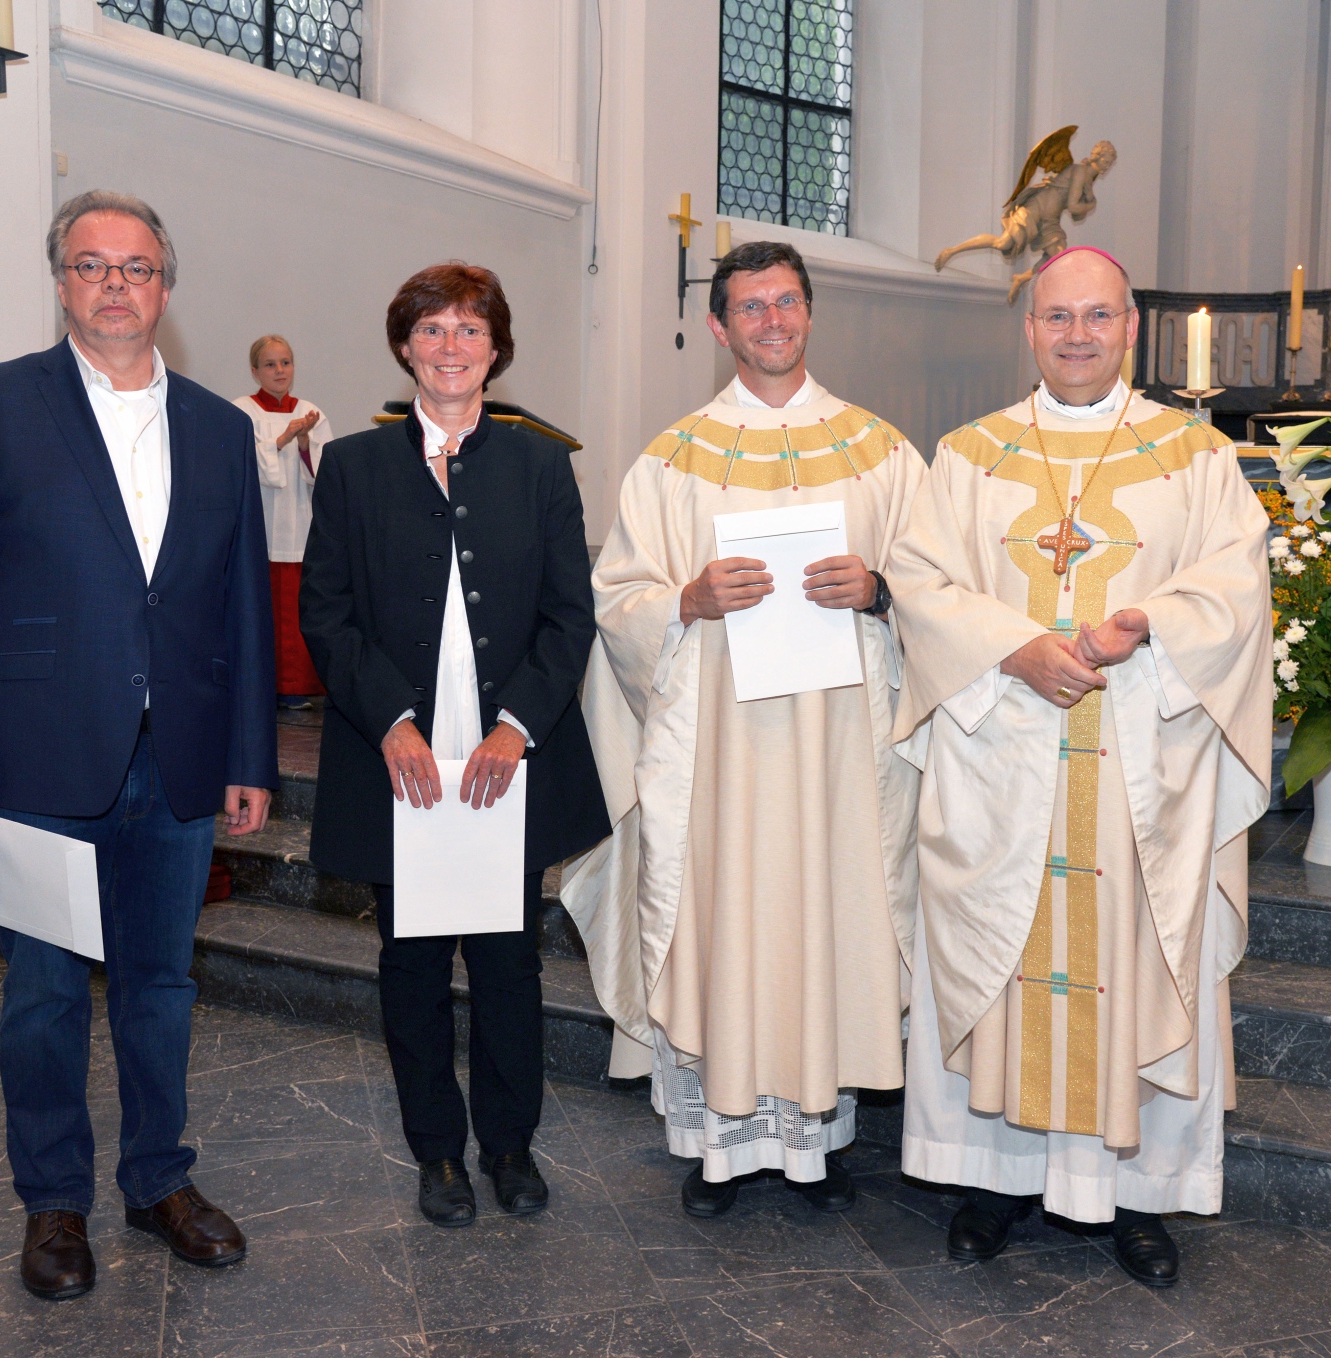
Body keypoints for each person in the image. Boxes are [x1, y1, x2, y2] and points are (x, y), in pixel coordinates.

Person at [0, 190, 277, 1300]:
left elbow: (240, 605)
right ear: (61, 281)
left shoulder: (220, 424)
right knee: (43, 992)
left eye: (137, 268)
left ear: (166, 288)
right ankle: (54, 1201)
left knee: (161, 983)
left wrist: (249, 755)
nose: (116, 284)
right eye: (92, 265)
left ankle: (159, 1178)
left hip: (178, 762)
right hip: (38, 760)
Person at [885, 246, 1271, 1279]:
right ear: (1028, 328)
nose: (1075, 336)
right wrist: (1011, 647)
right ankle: (992, 1177)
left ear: (1129, 327)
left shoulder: (1192, 457)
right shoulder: (967, 456)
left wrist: (1145, 624)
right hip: (1000, 765)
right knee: (999, 962)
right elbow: (916, 580)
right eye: (1056, 317)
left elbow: (1235, 583)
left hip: (1137, 764)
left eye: (1096, 317)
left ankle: (1130, 1197)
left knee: (1132, 964)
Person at [564, 240, 923, 1218]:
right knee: (726, 920)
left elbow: (941, 591)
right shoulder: (672, 459)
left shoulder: (883, 454)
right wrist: (684, 597)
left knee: (829, 912)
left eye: (786, 302)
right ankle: (717, 1141)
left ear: (809, 312)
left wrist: (880, 589)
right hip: (717, 753)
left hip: (840, 757)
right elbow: (620, 599)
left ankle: (822, 1137)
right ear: (719, 326)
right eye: (750, 307)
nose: (771, 320)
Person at [299, 263, 609, 1226]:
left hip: (507, 758)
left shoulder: (540, 464)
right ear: (404, 346)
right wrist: (390, 717)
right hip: (397, 760)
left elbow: (570, 616)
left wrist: (517, 727)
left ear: (495, 350)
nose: (450, 348)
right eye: (431, 330)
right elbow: (327, 613)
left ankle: (511, 1146)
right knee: (414, 962)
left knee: (512, 962)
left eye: (470, 331)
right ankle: (437, 1152)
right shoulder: (352, 466)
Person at [234, 335, 333, 709]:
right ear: (255, 370)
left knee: (295, 609)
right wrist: (282, 438)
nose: (280, 371)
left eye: (286, 362)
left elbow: (325, 473)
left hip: (299, 523)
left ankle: (295, 687)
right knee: (260, 608)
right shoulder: (240, 411)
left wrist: (305, 441)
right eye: (271, 364)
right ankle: (259, 685)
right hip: (257, 523)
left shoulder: (311, 412)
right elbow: (238, 463)